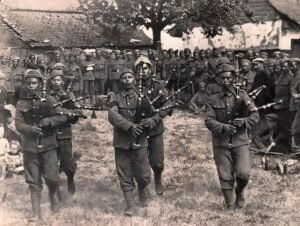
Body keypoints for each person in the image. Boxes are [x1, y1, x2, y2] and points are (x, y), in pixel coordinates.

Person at [15, 69, 67, 221]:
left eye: (34, 83)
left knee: (52, 177)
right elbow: (18, 124)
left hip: (49, 145)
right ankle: (35, 213)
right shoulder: (21, 103)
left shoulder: (49, 100)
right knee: (33, 180)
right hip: (30, 146)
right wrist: (30, 129)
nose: (31, 86)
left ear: (40, 84)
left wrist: (51, 121)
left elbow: (63, 115)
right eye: (28, 83)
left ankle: (55, 200)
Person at [205, 64, 259, 209]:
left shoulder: (242, 95)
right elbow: (208, 120)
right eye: (222, 78)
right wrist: (223, 127)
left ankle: (239, 191)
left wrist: (244, 121)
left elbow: (255, 115)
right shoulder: (212, 99)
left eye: (229, 78)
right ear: (218, 79)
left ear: (234, 78)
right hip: (221, 142)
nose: (225, 81)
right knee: (225, 175)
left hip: (240, 141)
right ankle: (229, 204)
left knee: (244, 173)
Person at [107, 68, 151, 216]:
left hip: (141, 140)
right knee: (125, 173)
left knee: (144, 174)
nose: (127, 80)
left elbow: (154, 114)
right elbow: (113, 116)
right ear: (120, 81)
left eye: (130, 77)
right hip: (122, 141)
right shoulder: (114, 97)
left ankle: (143, 189)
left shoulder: (143, 97)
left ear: (134, 79)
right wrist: (129, 126)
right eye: (124, 78)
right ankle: (130, 205)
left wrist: (149, 122)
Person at [134, 56, 171, 196]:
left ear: (150, 69)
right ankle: (143, 188)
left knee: (157, 162)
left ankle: (158, 179)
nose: (142, 71)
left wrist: (155, 119)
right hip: (138, 129)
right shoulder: (131, 85)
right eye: (139, 68)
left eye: (145, 68)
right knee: (140, 161)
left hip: (155, 129)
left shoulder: (158, 86)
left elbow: (167, 105)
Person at [48, 69, 82, 195]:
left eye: (58, 80)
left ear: (62, 81)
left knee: (67, 161)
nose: (56, 83)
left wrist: (69, 112)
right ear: (50, 82)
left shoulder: (69, 94)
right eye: (54, 80)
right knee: (51, 163)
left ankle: (70, 179)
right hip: (49, 133)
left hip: (64, 133)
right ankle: (55, 189)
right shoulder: (46, 95)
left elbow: (79, 111)